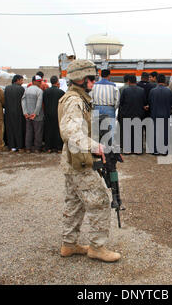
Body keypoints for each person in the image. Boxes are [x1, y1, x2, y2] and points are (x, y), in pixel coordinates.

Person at [58, 59, 121, 262]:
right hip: (79, 162)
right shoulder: (75, 101)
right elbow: (70, 132)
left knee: (75, 203)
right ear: (80, 79)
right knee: (101, 201)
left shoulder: (79, 98)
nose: (94, 82)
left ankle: (69, 245)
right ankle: (97, 247)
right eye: (91, 78)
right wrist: (96, 147)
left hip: (74, 160)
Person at [118, 74, 147, 154]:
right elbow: (144, 102)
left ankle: (127, 150)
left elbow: (121, 103)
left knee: (127, 133)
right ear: (136, 81)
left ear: (129, 81)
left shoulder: (125, 90)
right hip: (138, 114)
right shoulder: (141, 90)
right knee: (138, 132)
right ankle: (138, 150)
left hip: (127, 114)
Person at [90, 69, 120, 144]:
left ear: (100, 75)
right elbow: (117, 100)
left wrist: (93, 107)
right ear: (109, 76)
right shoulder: (113, 86)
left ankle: (97, 148)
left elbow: (90, 98)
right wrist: (113, 108)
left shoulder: (94, 86)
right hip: (109, 108)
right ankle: (110, 148)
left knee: (96, 129)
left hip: (96, 108)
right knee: (110, 129)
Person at [148, 74, 172, 155]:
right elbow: (171, 104)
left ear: (157, 81)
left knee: (155, 132)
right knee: (165, 132)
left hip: (155, 114)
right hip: (165, 114)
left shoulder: (152, 91)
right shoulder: (168, 91)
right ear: (165, 81)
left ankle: (155, 150)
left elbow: (150, 103)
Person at [22, 75, 44, 153]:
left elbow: (23, 101)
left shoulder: (27, 90)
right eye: (39, 82)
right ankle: (37, 148)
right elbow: (39, 103)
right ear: (34, 81)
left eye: (40, 81)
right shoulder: (39, 91)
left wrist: (25, 112)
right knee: (38, 132)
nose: (40, 83)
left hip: (28, 114)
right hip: (37, 116)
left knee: (29, 131)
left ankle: (28, 148)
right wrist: (35, 113)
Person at [43, 75, 65, 153]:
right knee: (58, 130)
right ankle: (58, 148)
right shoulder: (61, 92)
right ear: (57, 82)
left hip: (48, 114)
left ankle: (48, 147)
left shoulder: (46, 92)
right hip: (58, 114)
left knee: (48, 130)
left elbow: (44, 103)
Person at [4, 74, 26, 152]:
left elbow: (4, 101)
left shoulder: (7, 88)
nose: (22, 82)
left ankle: (12, 146)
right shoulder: (21, 89)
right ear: (17, 80)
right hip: (19, 112)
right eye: (21, 80)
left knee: (10, 129)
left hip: (8, 113)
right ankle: (20, 146)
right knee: (19, 129)